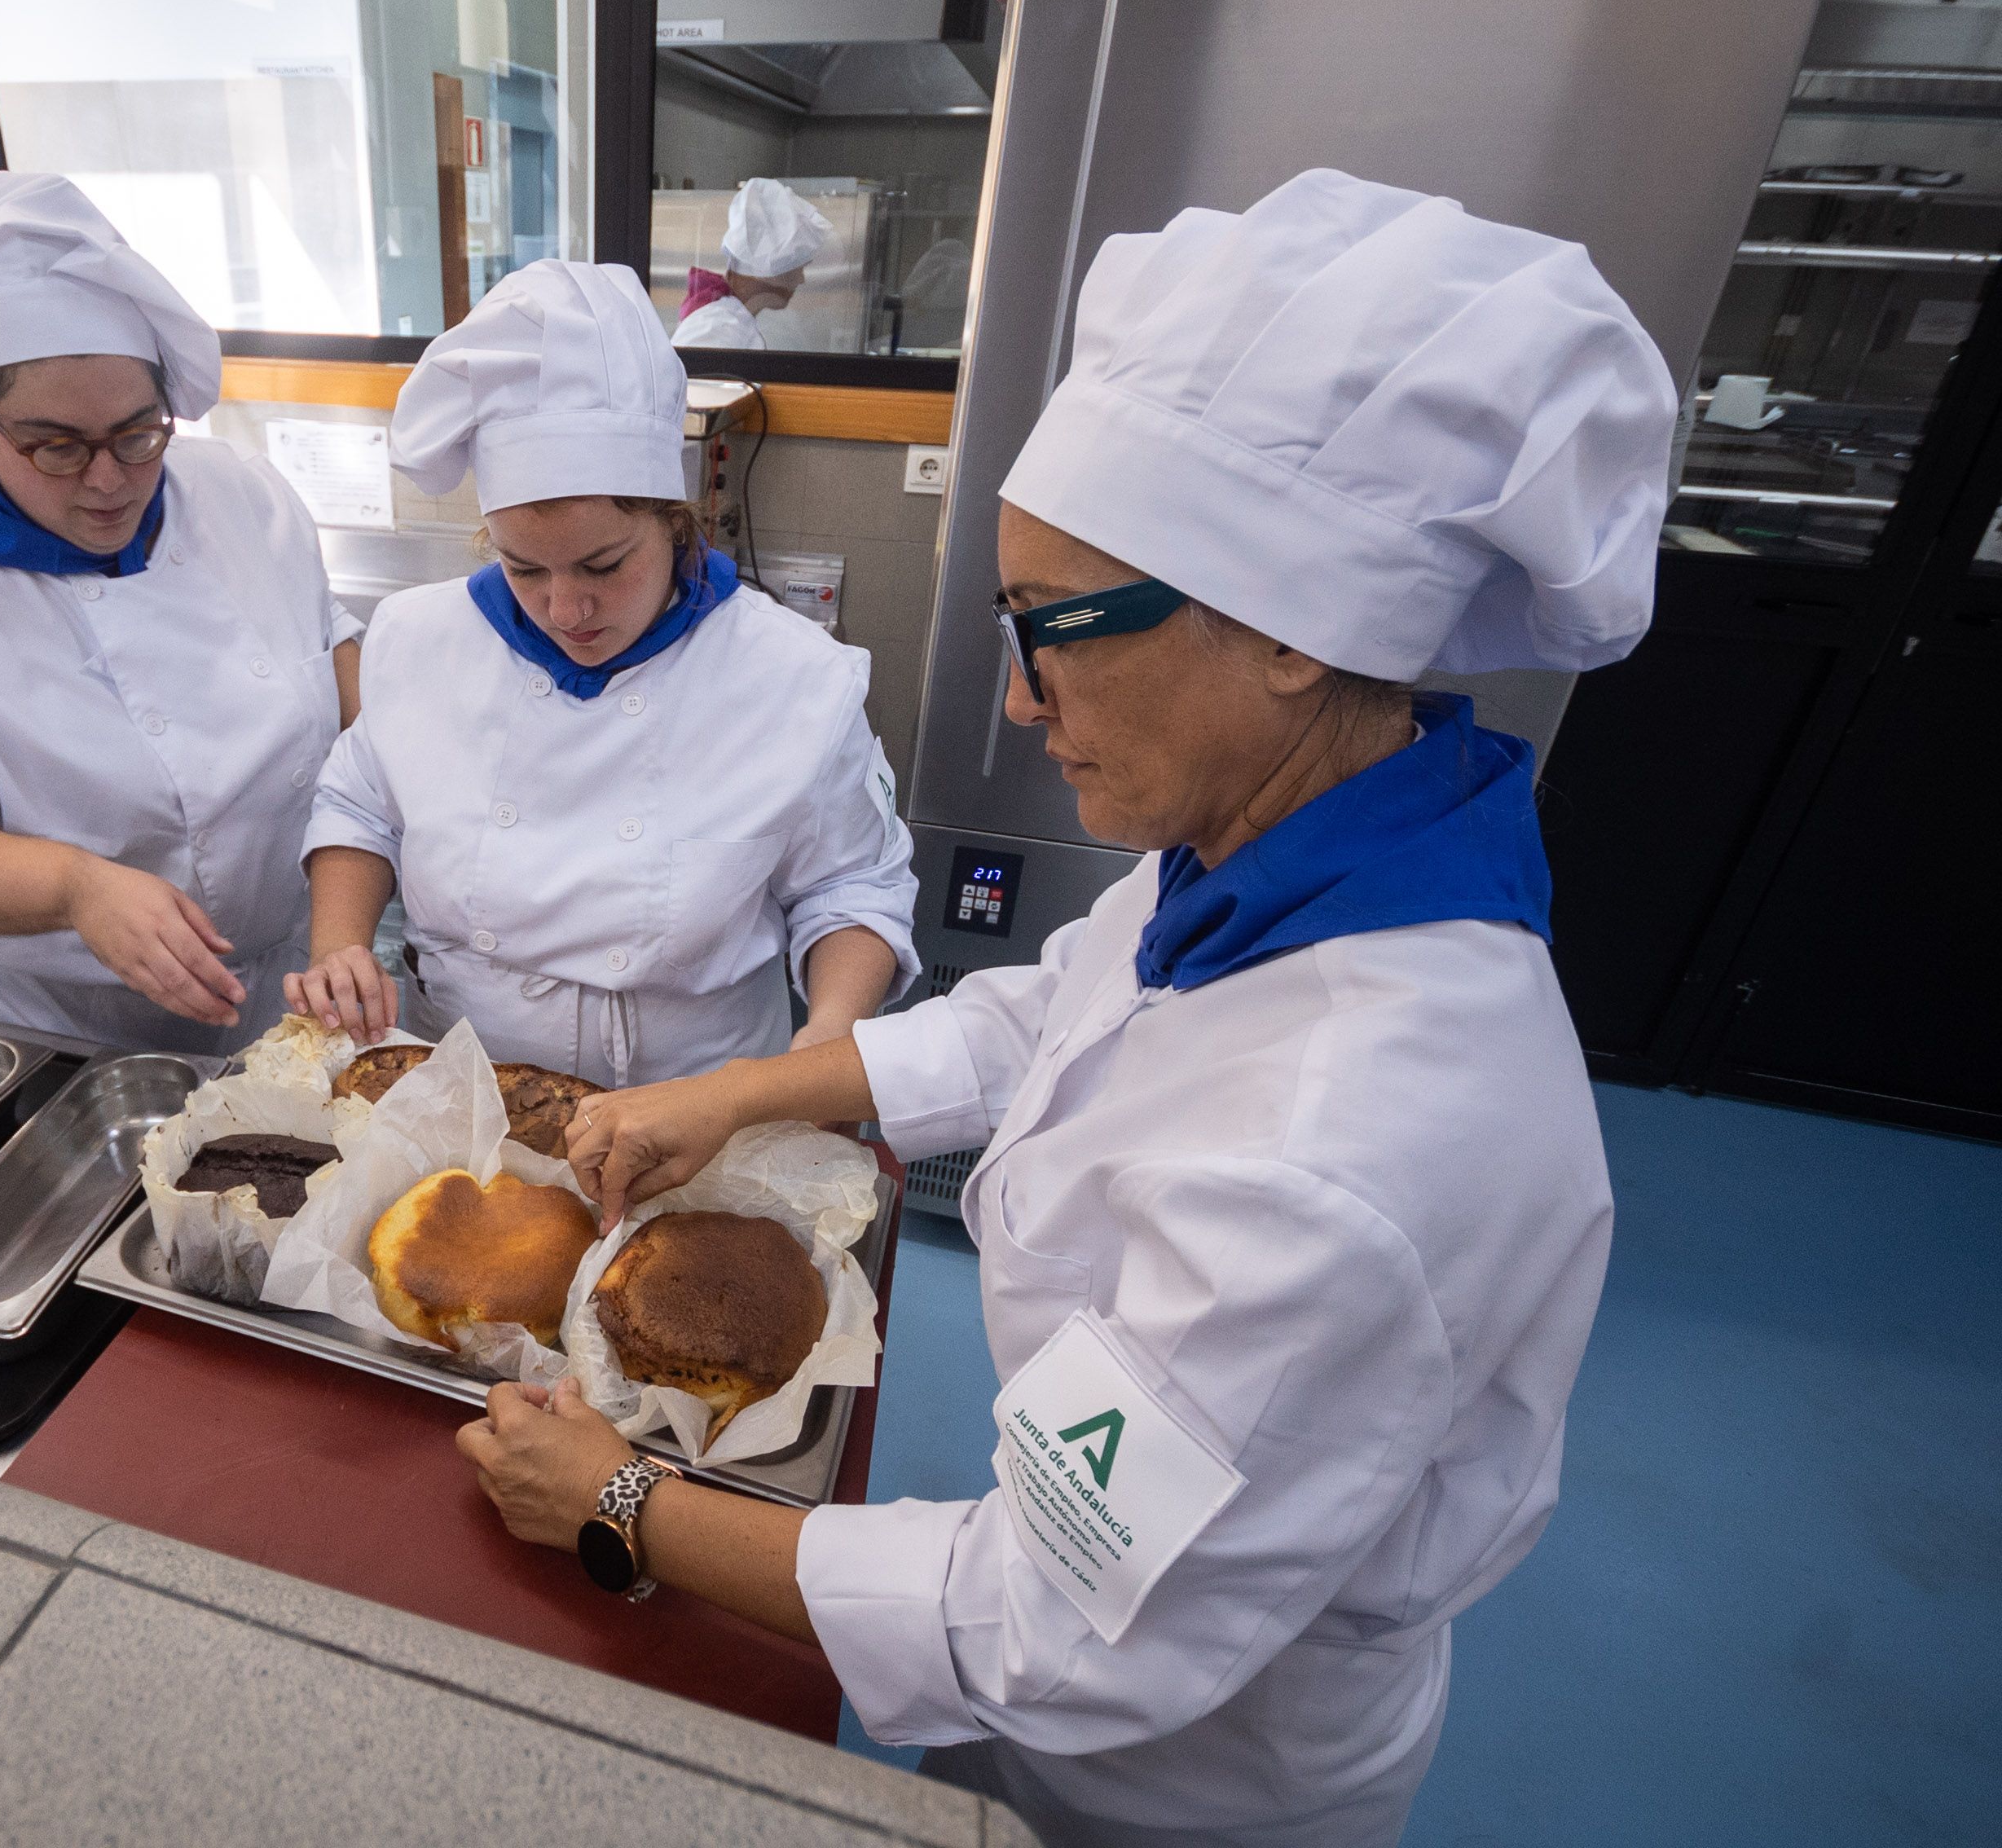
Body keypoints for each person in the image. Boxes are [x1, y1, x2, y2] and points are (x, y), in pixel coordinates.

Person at [457, 169, 1678, 1846]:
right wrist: (747, 1091)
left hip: (1193, 1769)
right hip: (1082, 1610)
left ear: (1294, 637)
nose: (1023, 700)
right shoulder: (1280, 848)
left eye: (1060, 634)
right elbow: (1046, 1019)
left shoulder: (1348, 1143)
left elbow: (1048, 1620)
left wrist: (616, 1495)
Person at [286, 259, 918, 1087]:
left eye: (604, 565)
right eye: (525, 569)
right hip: (467, 1099)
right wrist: (340, 947)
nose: (566, 608)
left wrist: (830, 1032)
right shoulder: (418, 641)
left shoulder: (790, 678)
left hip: (695, 1112)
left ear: (672, 518)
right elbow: (357, 807)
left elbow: (852, 889)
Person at [0, 173, 359, 1052]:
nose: (108, 481)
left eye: (138, 434)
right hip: (33, 1035)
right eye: (55, 446)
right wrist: (74, 886)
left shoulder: (236, 493)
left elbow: (328, 647)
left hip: (265, 1005)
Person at [673, 177, 831, 350]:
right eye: (798, 269)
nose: (801, 280)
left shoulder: (731, 320)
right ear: (769, 271)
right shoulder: (718, 327)